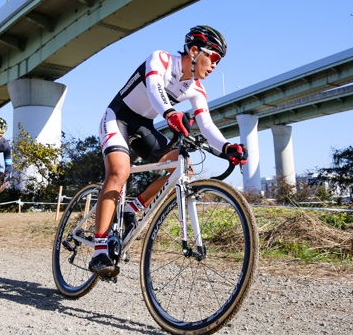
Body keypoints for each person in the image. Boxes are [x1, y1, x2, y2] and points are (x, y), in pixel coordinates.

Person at [89, 25, 248, 277]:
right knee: (120, 172)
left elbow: (206, 124)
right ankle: (99, 250)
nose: (215, 65)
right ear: (195, 51)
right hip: (117, 117)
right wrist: (171, 114)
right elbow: (154, 90)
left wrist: (227, 147)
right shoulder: (161, 59)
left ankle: (132, 209)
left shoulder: (196, 89)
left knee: (185, 168)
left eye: (219, 61)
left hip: (145, 128)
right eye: (214, 57)